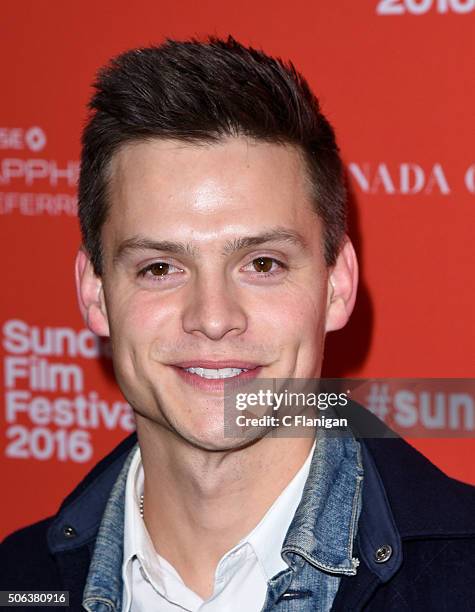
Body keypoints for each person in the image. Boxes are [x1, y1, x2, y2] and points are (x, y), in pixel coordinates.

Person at [1, 36, 475, 612]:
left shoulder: (460, 578)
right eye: (160, 267)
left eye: (262, 264)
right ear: (95, 294)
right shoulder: (21, 581)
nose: (214, 318)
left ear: (337, 285)